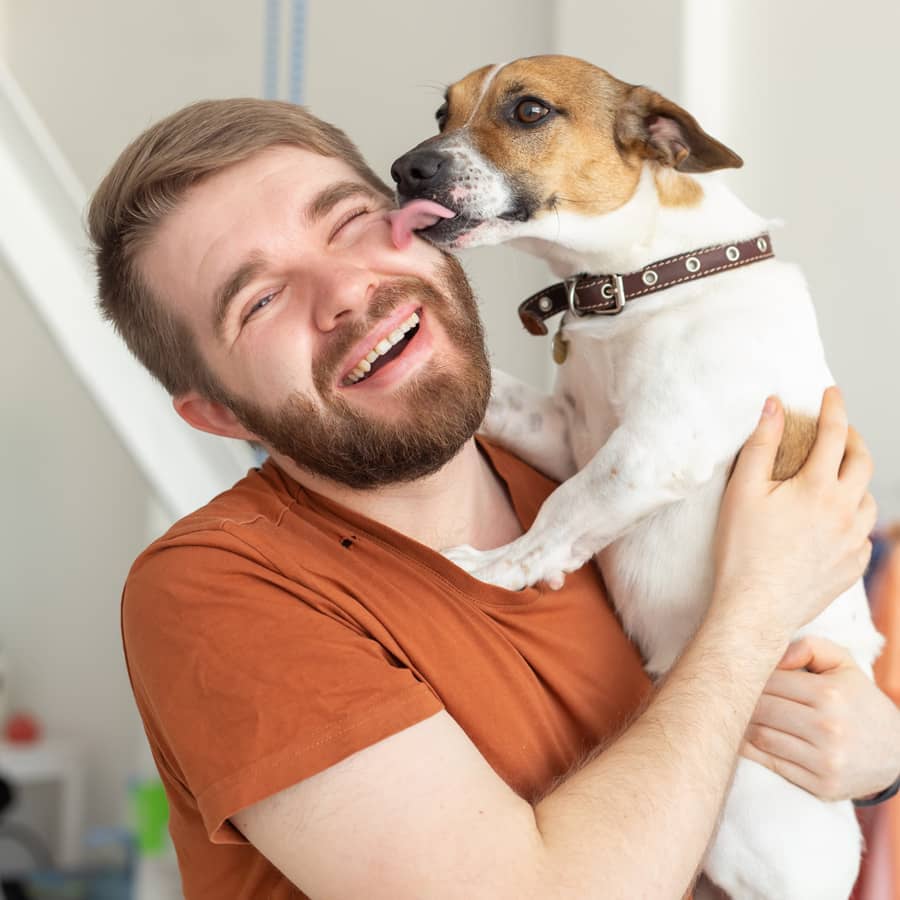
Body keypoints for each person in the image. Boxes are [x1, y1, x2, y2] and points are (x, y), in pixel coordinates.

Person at [89, 98, 900, 900]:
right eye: (259, 300)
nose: (342, 288)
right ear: (218, 413)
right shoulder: (222, 591)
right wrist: (753, 611)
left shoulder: (592, 477)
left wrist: (878, 763)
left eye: (351, 222)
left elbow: (813, 721)